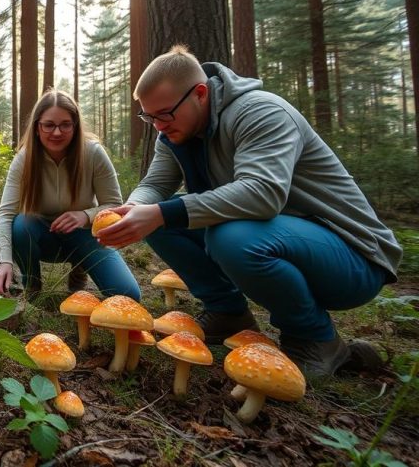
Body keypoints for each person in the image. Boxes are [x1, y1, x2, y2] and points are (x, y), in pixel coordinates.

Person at [95, 45, 400, 377]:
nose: (157, 126)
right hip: (281, 237)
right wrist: (137, 208)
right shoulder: (174, 131)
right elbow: (156, 183)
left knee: (230, 236)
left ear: (199, 94)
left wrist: (162, 212)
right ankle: (227, 314)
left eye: (164, 114)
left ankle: (316, 340)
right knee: (160, 219)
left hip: (352, 259)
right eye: (148, 117)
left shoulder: (262, 112)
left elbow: (263, 194)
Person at [0, 89, 140, 301]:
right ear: (37, 127)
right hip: (41, 235)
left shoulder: (93, 153)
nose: (57, 132)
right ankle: (32, 283)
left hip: (85, 235)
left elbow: (115, 204)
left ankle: (80, 268)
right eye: (49, 125)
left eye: (65, 124)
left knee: (128, 295)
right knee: (22, 224)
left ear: (75, 126)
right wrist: (4, 261)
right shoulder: (25, 159)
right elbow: (5, 213)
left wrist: (85, 216)